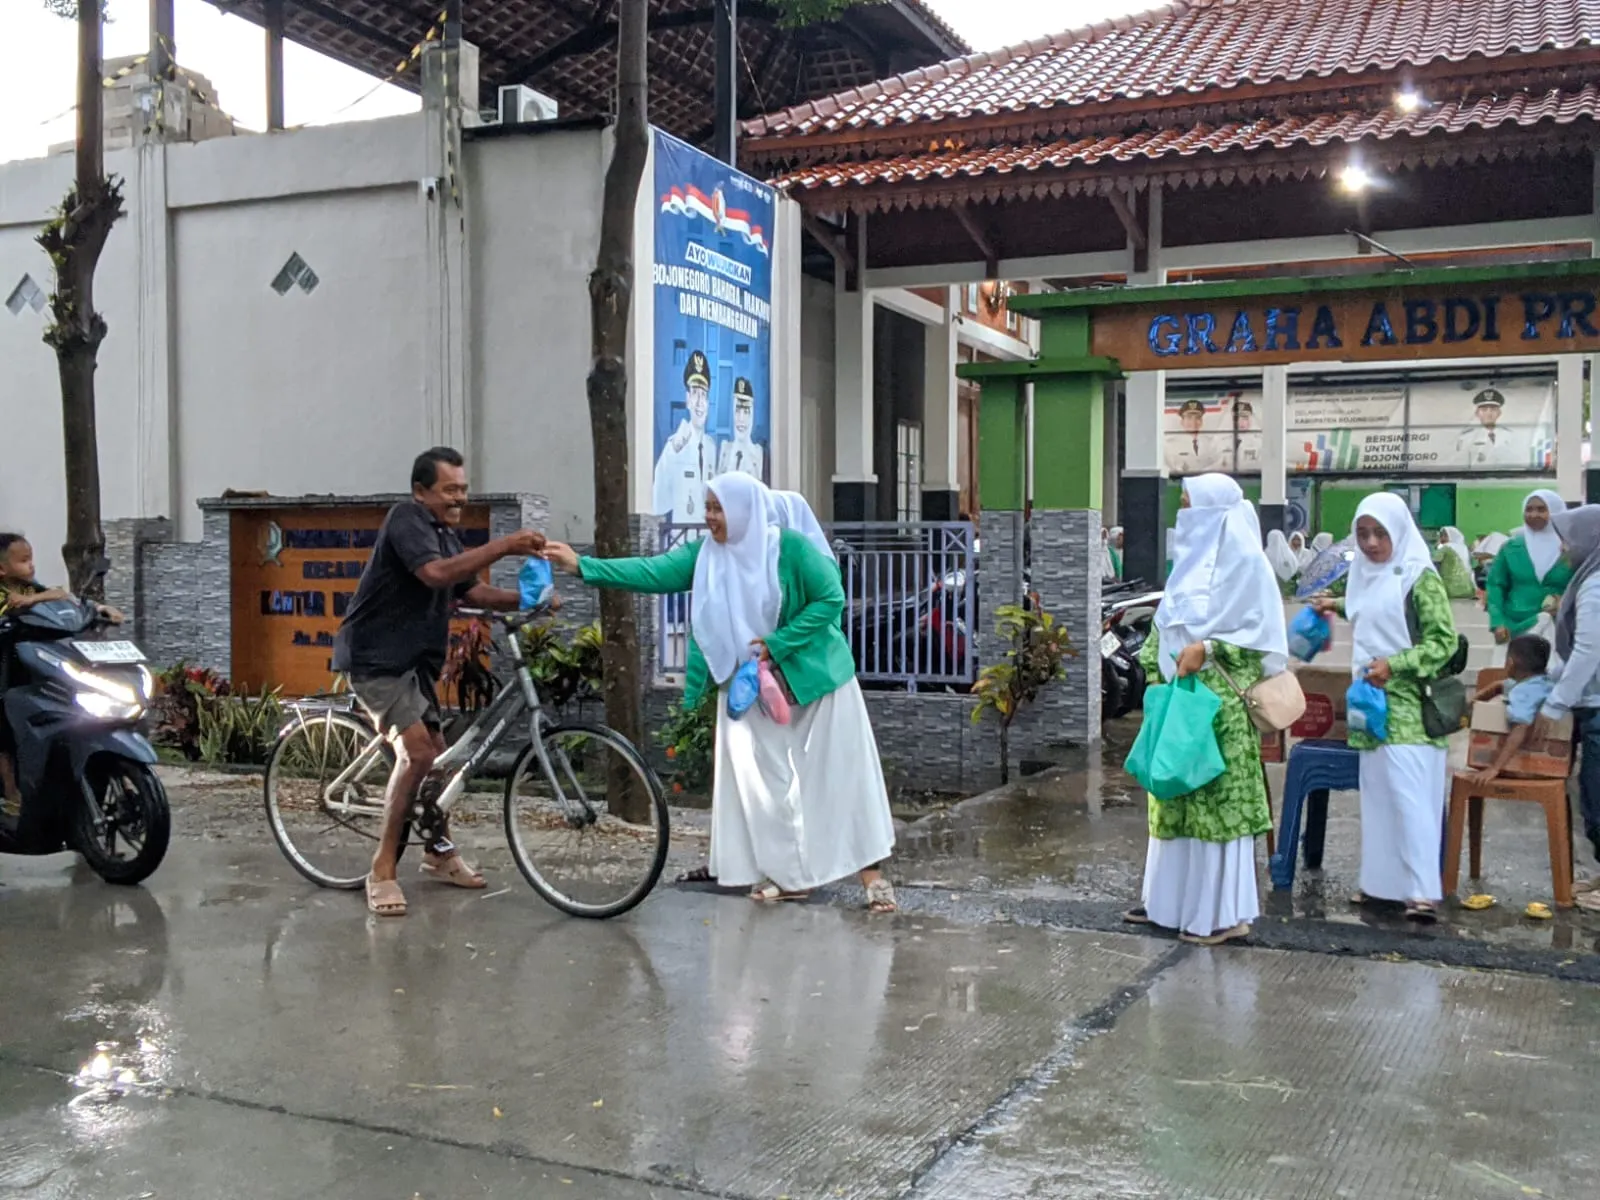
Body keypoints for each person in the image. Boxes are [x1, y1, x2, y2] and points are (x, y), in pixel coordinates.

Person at [543, 474, 899, 912]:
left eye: (717, 507)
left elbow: (830, 600)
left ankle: (873, 876)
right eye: (706, 507)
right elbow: (653, 572)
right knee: (761, 784)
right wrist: (582, 566)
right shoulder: (707, 556)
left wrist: (778, 643)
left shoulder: (790, 548)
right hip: (750, 686)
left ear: (744, 508)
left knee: (842, 774)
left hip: (818, 677)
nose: (709, 517)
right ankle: (788, 874)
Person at [331, 447, 545, 917]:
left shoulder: (446, 535)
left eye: (463, 490)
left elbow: (471, 590)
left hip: (414, 661)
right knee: (420, 752)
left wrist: (529, 602)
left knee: (440, 757)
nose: (459, 498)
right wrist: (504, 546)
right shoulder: (405, 519)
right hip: (376, 658)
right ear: (421, 491)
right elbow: (435, 576)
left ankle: (438, 852)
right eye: (450, 490)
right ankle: (382, 870)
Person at [1124, 474, 1285, 946]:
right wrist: (1155, 678)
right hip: (1177, 704)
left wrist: (1209, 649)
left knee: (1217, 809)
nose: (1184, 518)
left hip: (1221, 711)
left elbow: (1263, 642)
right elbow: (1164, 624)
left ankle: (1221, 915)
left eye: (1193, 508)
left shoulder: (1249, 567)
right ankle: (1168, 905)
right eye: (1183, 508)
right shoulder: (1186, 568)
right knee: (1173, 799)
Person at [1315, 494, 1458, 922]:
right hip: (1370, 704)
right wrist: (1333, 604)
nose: (1372, 543)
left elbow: (1443, 642)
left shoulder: (1419, 577)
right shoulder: (1363, 574)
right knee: (1377, 795)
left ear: (1399, 530)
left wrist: (1394, 665)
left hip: (1410, 707)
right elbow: (1367, 605)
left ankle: (1420, 892)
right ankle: (1380, 885)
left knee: (1409, 795)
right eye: (1363, 534)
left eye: (1380, 533)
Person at [0, 533, 125, 819]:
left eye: (31, 559)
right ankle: (11, 795)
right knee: (4, 732)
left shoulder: (28, 589)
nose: (31, 566)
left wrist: (98, 610)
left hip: (26, 673)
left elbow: (61, 597)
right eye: (23, 560)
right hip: (3, 674)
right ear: (2, 569)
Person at [1535, 505, 1600, 868]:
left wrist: (1554, 704)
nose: (1562, 549)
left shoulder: (1595, 585)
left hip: (1596, 705)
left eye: (1567, 541)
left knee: (1597, 795)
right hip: (1590, 699)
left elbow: (1589, 651)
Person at [1486, 490, 1571, 648]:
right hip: (1516, 626)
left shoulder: (1571, 548)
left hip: (1561, 626)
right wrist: (1497, 622)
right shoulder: (1511, 547)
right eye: (1529, 509)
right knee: (1514, 671)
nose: (1533, 515)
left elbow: (1584, 583)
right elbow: (1495, 586)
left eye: (1541, 509)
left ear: (1556, 512)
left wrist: (1565, 602)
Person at [1470, 635, 1553, 787]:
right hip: (1555, 767)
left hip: (1525, 768)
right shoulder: (1544, 683)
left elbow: (1520, 727)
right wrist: (1473, 702)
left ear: (1510, 663)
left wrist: (1495, 768)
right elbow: (1500, 685)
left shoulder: (1522, 693)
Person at [652, 350, 719, 523]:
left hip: (707, 542)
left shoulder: (711, 448)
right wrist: (673, 451)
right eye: (695, 393)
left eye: (703, 395)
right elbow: (658, 500)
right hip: (682, 544)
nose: (699, 402)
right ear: (687, 398)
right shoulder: (675, 446)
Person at [1455, 387, 1527, 468]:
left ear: (1499, 413)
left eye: (1493, 409)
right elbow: (1461, 466)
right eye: (1484, 410)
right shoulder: (1466, 437)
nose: (1489, 414)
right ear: (1477, 413)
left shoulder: (1511, 435)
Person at [716, 377, 766, 480]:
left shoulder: (759, 455)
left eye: (746, 412)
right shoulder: (724, 451)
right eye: (737, 411)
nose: (741, 419)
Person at [1432, 526, 1478, 600]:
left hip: (1449, 589)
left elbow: (1435, 561)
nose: (1441, 537)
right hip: (1468, 589)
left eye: (1443, 535)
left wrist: (1437, 545)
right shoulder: (1464, 547)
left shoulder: (1445, 547)